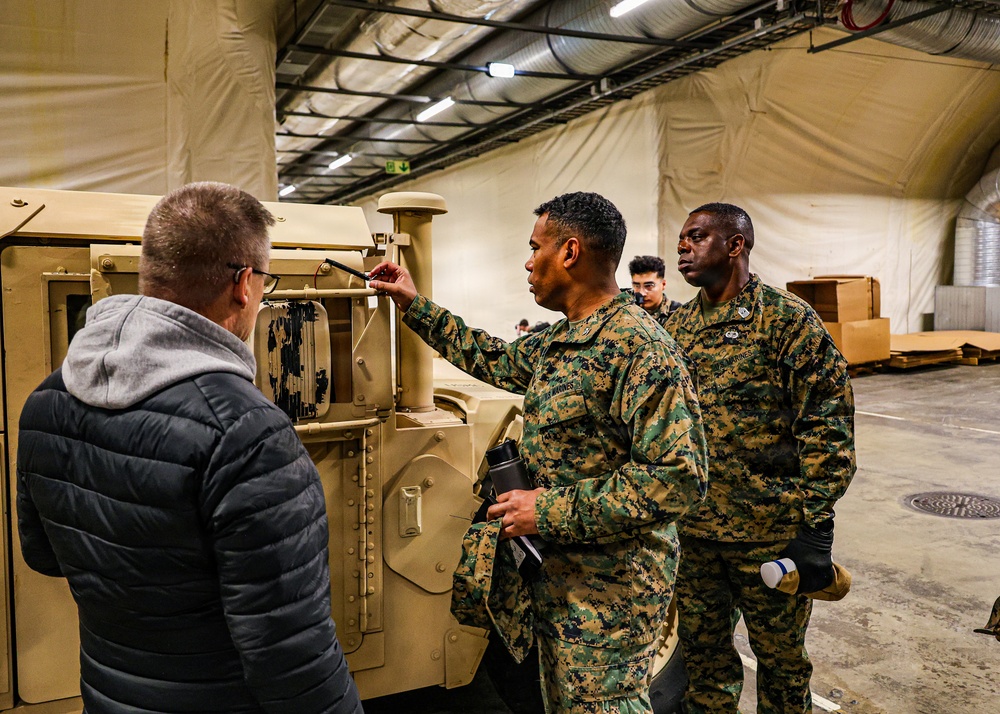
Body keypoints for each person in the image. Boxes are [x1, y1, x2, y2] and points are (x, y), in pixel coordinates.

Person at [16, 182, 363, 714]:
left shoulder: (47, 400)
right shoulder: (248, 434)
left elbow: (43, 555)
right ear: (245, 282)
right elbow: (291, 650)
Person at [369, 191, 708, 713]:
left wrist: (542, 510)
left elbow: (679, 477)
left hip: (610, 596)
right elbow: (492, 357)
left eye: (535, 248)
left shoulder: (643, 350)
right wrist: (414, 303)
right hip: (556, 583)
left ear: (569, 253)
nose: (528, 263)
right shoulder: (562, 342)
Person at [664, 203, 856, 714]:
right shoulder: (678, 326)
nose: (682, 246)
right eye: (681, 238)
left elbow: (828, 425)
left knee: (782, 663)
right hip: (696, 535)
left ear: (736, 245)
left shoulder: (786, 320)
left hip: (769, 534)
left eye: (697, 236)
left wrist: (815, 524)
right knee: (703, 658)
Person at [629, 255, 681, 325]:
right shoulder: (629, 314)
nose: (642, 293)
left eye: (649, 286)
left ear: (663, 284)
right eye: (637, 286)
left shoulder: (679, 314)